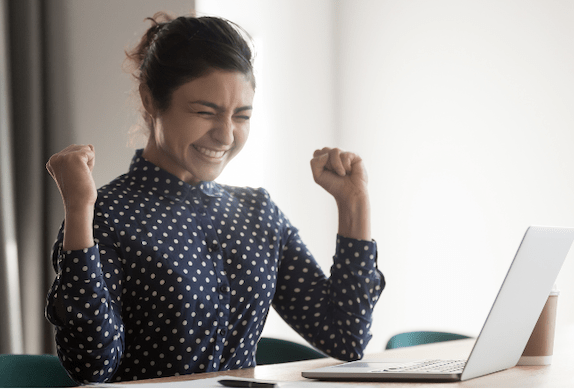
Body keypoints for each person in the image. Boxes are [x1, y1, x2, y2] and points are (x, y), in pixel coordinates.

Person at [45, 12, 385, 384]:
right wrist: (79, 209)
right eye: (205, 112)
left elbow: (345, 337)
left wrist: (354, 205)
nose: (225, 136)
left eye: (241, 116)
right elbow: (91, 367)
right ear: (150, 101)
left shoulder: (258, 212)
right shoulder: (105, 215)